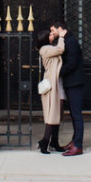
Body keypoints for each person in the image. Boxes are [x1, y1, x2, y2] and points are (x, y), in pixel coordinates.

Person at [52, 20, 84, 156]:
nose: (52, 33)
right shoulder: (67, 40)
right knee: (73, 114)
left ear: (60, 29)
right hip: (71, 82)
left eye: (54, 30)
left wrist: (56, 72)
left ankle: (78, 145)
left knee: (76, 115)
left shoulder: (71, 42)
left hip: (75, 83)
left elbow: (71, 64)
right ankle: (74, 141)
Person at [35, 26, 67, 154]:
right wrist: (62, 37)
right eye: (49, 35)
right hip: (52, 84)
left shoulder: (49, 48)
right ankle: (45, 141)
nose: (51, 36)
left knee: (57, 113)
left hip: (58, 83)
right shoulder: (45, 49)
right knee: (52, 113)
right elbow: (60, 49)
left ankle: (54, 141)